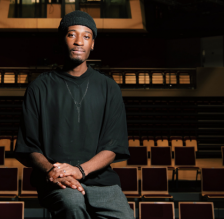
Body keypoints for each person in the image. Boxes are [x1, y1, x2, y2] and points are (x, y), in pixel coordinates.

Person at [14, 10, 134, 219]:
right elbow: (30, 147)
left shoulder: (109, 87)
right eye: (72, 34)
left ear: (93, 44)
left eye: (86, 36)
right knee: (72, 204)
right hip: (57, 177)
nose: (79, 42)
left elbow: (113, 147)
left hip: (101, 180)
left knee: (124, 216)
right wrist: (54, 171)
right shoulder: (39, 87)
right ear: (63, 40)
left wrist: (80, 170)